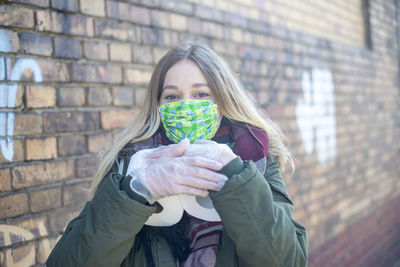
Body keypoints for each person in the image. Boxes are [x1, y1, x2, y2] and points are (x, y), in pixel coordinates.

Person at [47, 44, 308, 267]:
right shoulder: (130, 165)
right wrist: (137, 191)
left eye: (201, 94)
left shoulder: (254, 159)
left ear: (223, 101)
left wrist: (234, 177)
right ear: (158, 106)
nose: (187, 106)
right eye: (172, 96)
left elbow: (287, 260)